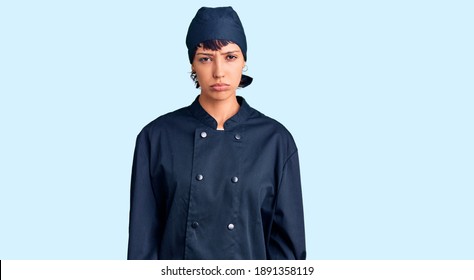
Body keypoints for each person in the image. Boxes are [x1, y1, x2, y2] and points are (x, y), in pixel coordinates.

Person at [127, 6, 306, 260]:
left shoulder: (276, 141)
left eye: (230, 57)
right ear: (192, 64)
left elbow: (288, 250)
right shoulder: (156, 138)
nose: (219, 71)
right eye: (205, 58)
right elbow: (142, 245)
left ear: (244, 60)